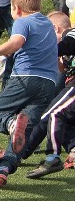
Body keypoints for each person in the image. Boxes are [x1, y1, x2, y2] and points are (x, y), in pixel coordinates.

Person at [0, 0, 59, 188]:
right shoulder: (47, 22)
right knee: (24, 130)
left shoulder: (22, 21)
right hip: (49, 83)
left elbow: (15, 44)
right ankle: (3, 169)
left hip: (26, 78)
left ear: (16, 8)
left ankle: (10, 123)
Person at [25, 12, 75, 178]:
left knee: (54, 113)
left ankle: (52, 157)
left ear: (55, 28)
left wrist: (46, 48)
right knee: (64, 121)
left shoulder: (71, 33)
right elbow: (63, 69)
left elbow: (67, 45)